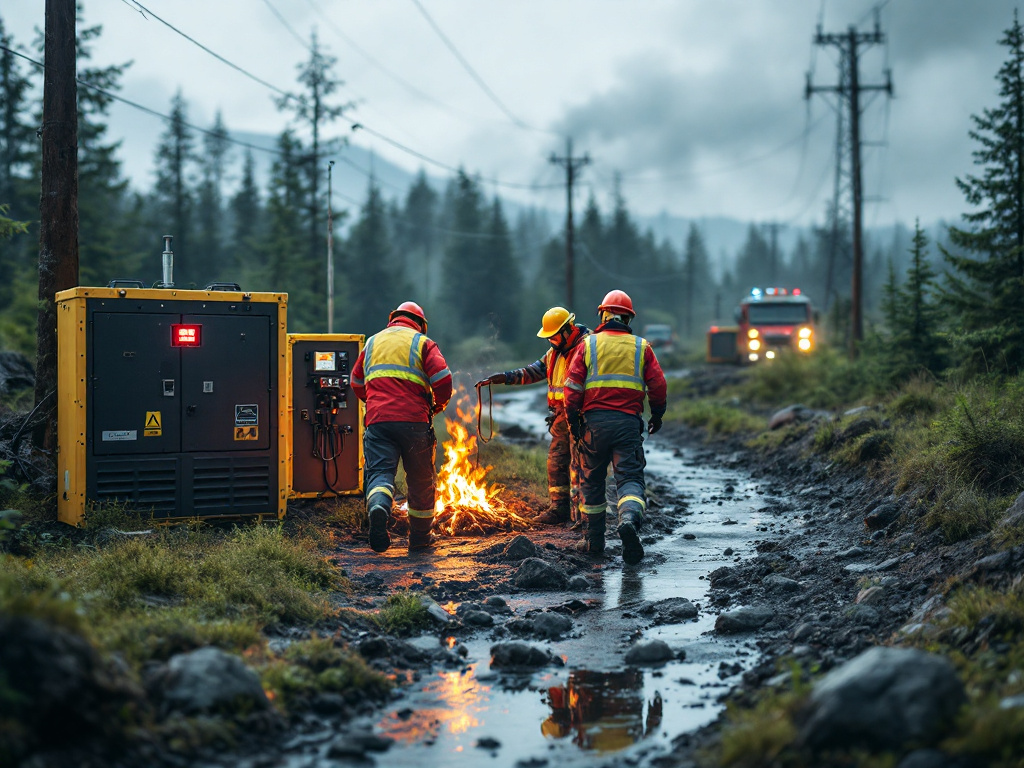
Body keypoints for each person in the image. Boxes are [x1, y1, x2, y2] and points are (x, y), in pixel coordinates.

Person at [563, 289, 667, 564]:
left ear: (603, 315)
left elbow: (572, 387)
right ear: (628, 319)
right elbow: (658, 385)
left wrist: (573, 421)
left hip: (594, 425)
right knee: (629, 479)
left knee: (592, 482)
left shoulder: (589, 345)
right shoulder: (641, 347)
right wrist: (657, 414)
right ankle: (629, 520)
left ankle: (594, 542)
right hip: (627, 425)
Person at [351, 301, 452, 553]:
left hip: (378, 422)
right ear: (420, 324)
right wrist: (437, 405)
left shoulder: (372, 342)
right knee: (420, 480)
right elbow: (443, 379)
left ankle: (378, 508)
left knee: (380, 475)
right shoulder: (422, 343)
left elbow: (355, 380)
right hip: (414, 423)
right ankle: (419, 539)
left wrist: (374, 401)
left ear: (393, 319)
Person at [477, 307, 590, 526]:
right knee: (556, 462)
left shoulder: (587, 348)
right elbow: (533, 372)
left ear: (568, 329)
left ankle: (583, 517)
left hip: (582, 417)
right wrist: (504, 378)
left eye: (555, 336)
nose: (552, 341)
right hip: (560, 418)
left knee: (581, 466)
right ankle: (559, 510)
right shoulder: (554, 352)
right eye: (549, 337)